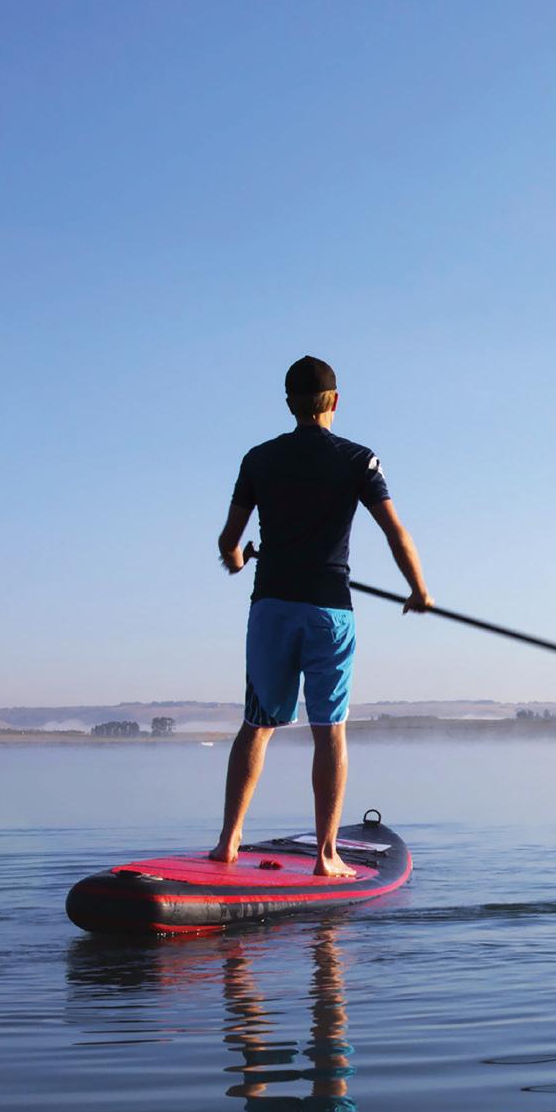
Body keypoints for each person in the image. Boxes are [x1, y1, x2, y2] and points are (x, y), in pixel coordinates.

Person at [212, 357, 430, 876]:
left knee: (256, 724)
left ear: (290, 404)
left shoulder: (258, 459)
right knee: (329, 729)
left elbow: (229, 541)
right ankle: (326, 855)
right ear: (335, 401)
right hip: (330, 610)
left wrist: (237, 558)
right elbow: (395, 532)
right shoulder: (358, 459)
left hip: (271, 608)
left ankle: (227, 842)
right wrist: (418, 589)